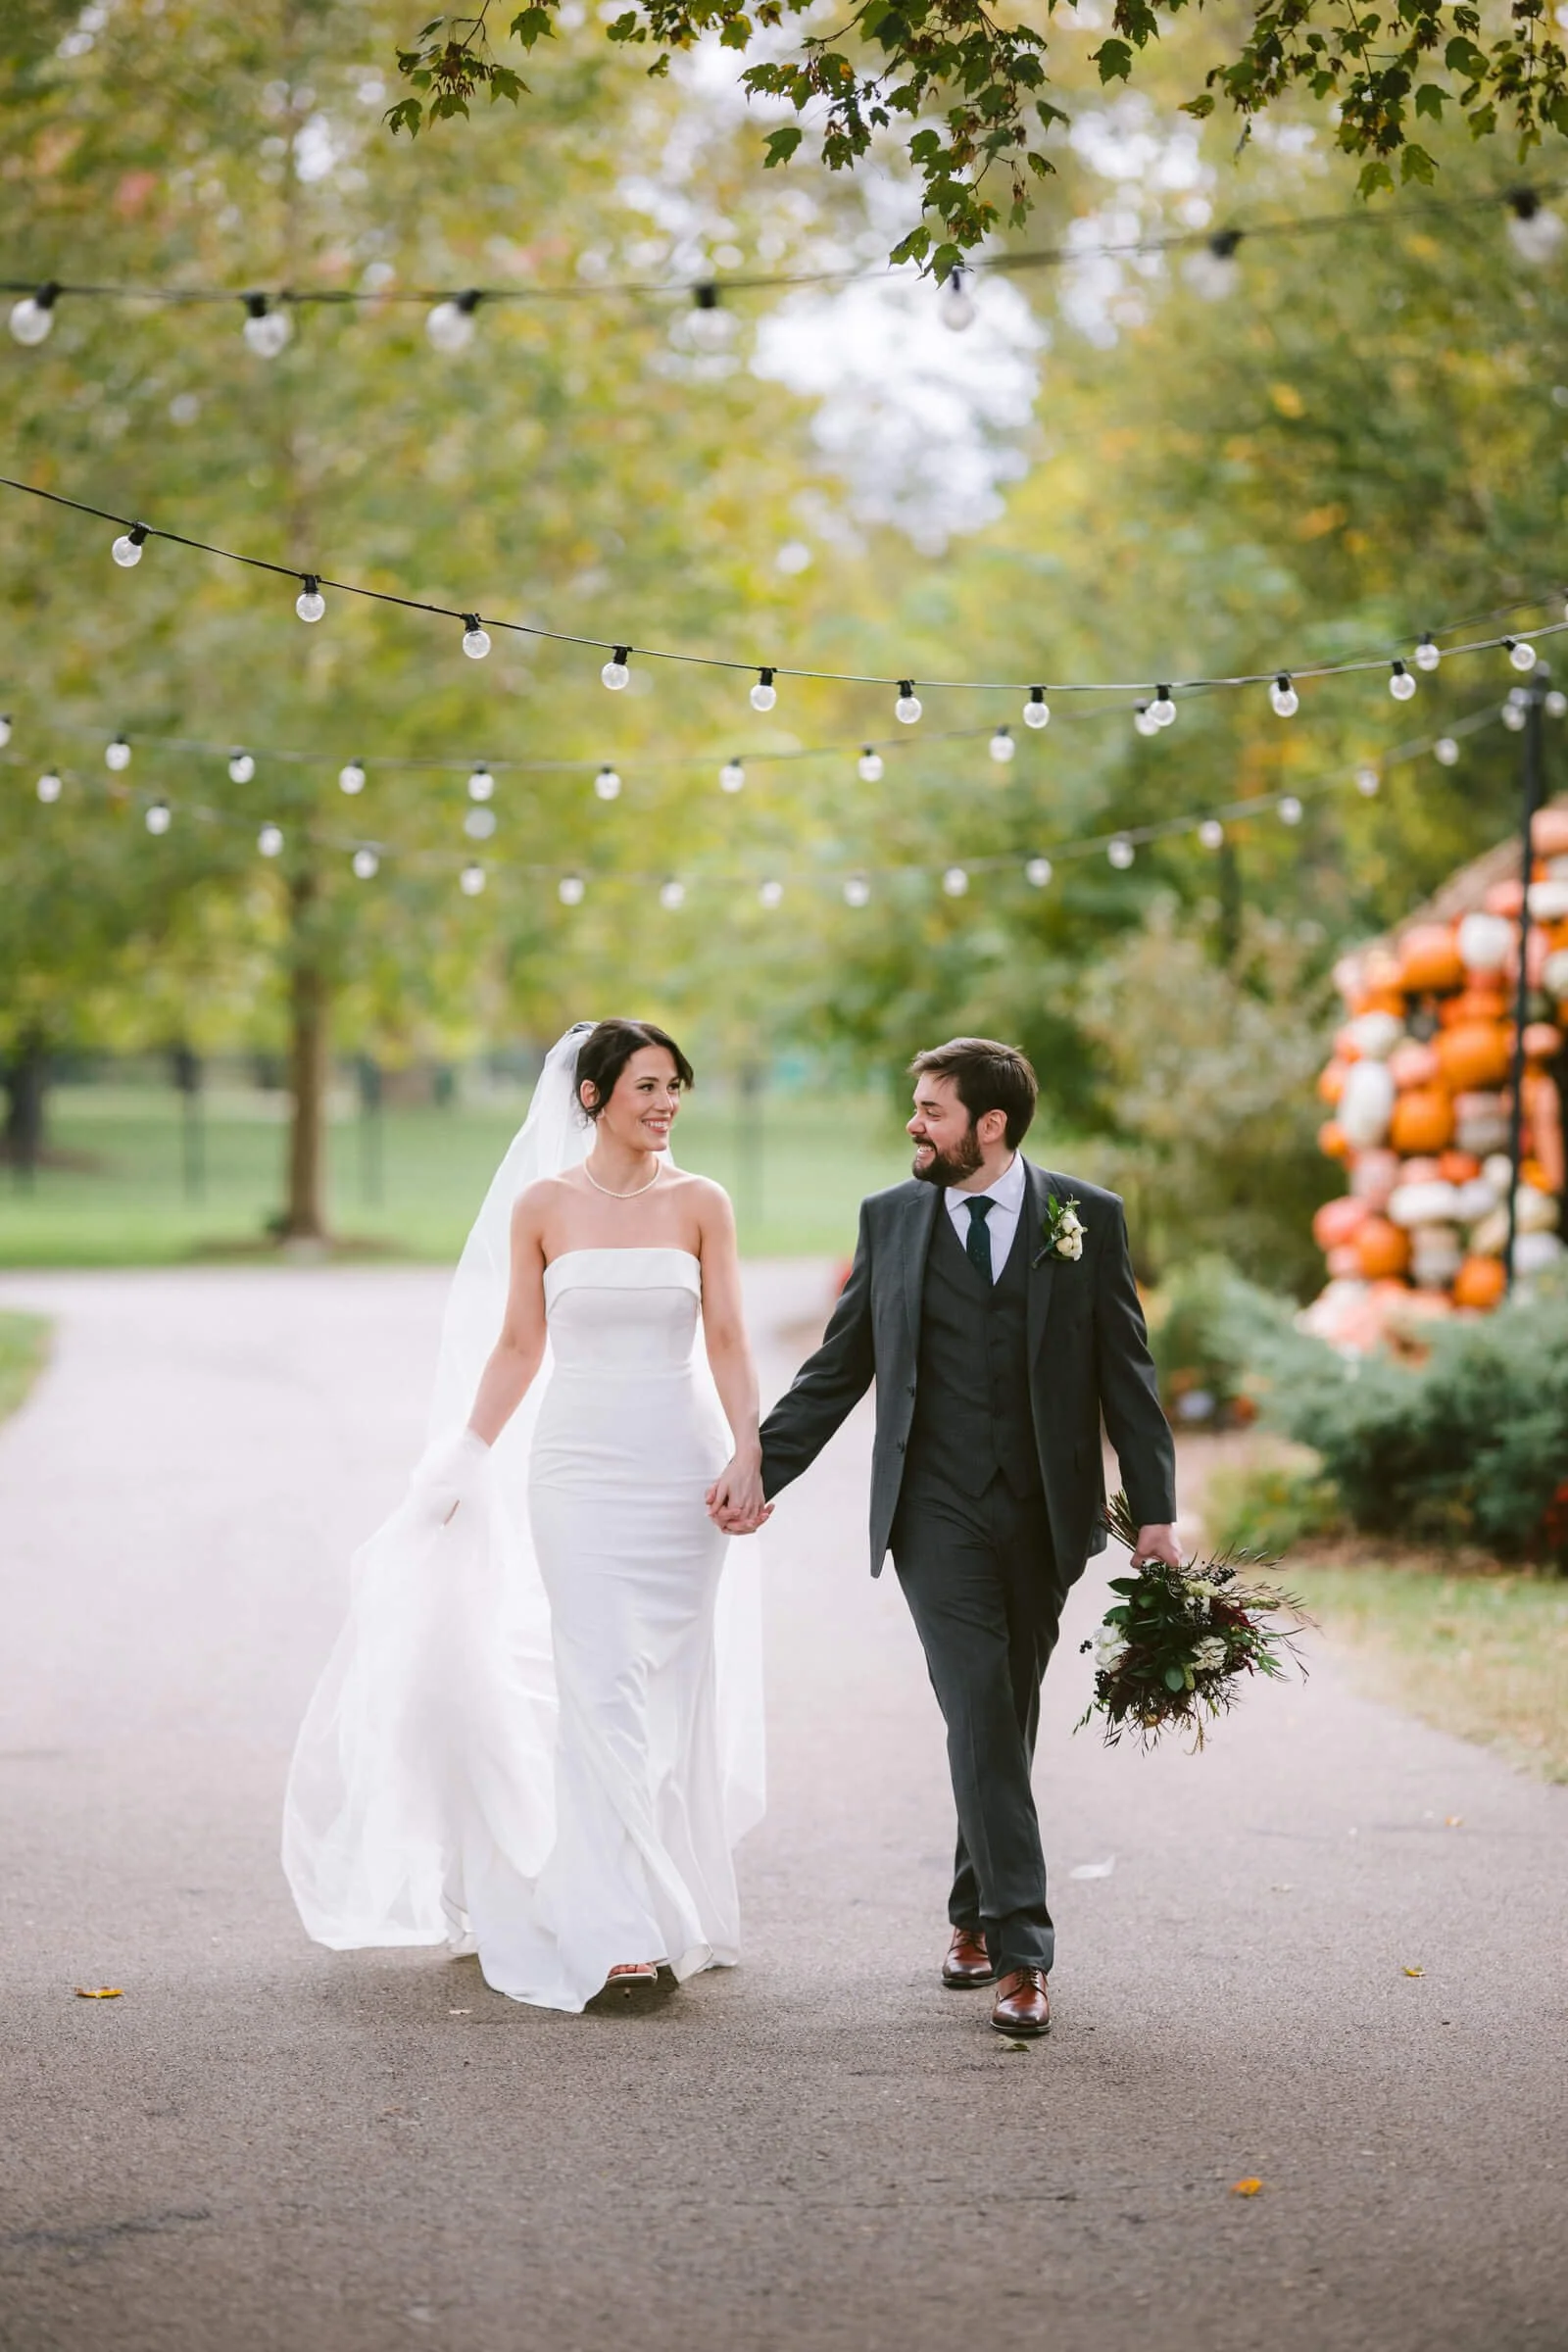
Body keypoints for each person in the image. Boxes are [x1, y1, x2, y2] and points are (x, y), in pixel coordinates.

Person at [284, 1019, 769, 2013]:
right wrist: (463, 1456)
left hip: (679, 1472)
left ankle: (659, 1893)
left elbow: (726, 1335)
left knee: (667, 1692)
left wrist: (748, 1451)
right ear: (592, 1097)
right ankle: (618, 1937)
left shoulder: (702, 1203)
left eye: (674, 1085)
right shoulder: (543, 1206)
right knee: (599, 1687)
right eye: (646, 1085)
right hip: (578, 1473)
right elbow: (517, 1345)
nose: (666, 1103)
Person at [709, 1036, 1177, 2040]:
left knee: (1005, 1710)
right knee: (977, 1699)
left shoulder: (1085, 1218)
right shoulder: (890, 1219)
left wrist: (1155, 1513)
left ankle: (970, 1908)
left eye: (932, 1109)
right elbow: (840, 1369)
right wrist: (759, 1469)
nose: (913, 1124)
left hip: (1046, 1511)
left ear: (989, 1126)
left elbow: (1126, 1376)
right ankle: (1020, 1950)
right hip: (933, 1513)